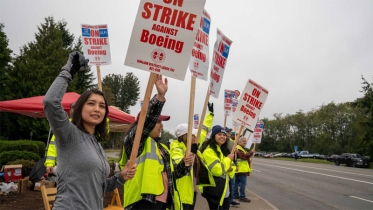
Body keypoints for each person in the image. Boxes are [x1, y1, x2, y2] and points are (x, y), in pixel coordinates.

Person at [43, 52, 137, 210]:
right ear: (80, 108)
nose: (97, 109)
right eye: (91, 103)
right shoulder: (69, 134)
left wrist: (121, 176)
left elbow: (99, 187)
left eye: (101, 106)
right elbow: (50, 102)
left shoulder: (97, 144)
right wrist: (68, 71)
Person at [119, 74, 194, 210]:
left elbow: (173, 174)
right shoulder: (136, 141)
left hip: (162, 203)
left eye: (161, 122)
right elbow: (146, 123)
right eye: (157, 122)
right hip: (141, 202)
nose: (161, 126)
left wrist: (185, 163)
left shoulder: (162, 147)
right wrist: (159, 97)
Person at [170, 103, 215, 210]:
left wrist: (211, 114)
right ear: (184, 136)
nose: (195, 137)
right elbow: (179, 165)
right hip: (181, 192)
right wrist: (190, 154)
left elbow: (203, 130)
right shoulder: (176, 148)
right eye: (192, 135)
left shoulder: (193, 145)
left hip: (192, 190)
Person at [200, 125, 236, 210]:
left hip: (224, 189)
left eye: (224, 135)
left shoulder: (224, 150)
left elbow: (232, 168)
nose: (222, 137)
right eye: (219, 134)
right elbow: (217, 170)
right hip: (214, 190)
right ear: (213, 136)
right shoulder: (209, 151)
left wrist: (230, 169)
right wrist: (228, 159)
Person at [44, 102, 75, 175]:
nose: (74, 111)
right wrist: (50, 163)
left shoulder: (88, 125)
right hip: (65, 167)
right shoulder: (63, 126)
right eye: (73, 109)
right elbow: (53, 145)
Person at [233, 136, 254, 203]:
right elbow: (243, 157)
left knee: (236, 183)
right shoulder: (238, 148)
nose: (245, 142)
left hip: (238, 169)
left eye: (245, 141)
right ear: (239, 142)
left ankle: (235, 195)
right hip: (241, 169)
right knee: (242, 184)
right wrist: (251, 152)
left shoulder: (240, 148)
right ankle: (242, 197)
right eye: (243, 141)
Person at [224, 127, 240, 208]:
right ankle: (227, 200)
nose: (228, 133)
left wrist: (236, 165)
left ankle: (230, 200)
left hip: (231, 168)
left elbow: (235, 156)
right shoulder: (222, 142)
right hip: (225, 167)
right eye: (227, 132)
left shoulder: (232, 142)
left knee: (232, 186)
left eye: (229, 132)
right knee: (226, 186)